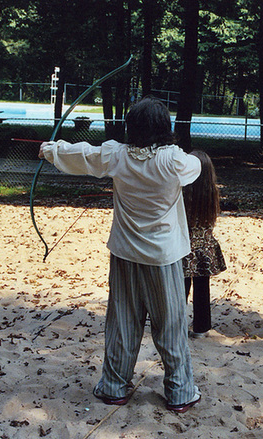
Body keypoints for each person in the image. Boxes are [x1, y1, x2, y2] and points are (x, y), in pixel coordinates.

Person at [38, 96, 202, 413]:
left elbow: (83, 154)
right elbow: (195, 165)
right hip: (163, 258)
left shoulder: (117, 155)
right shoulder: (174, 161)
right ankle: (180, 391)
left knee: (123, 321)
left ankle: (114, 387)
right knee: (171, 324)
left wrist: (50, 149)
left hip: (126, 255)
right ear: (164, 129)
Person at [182, 150, 226, 338]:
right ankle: (202, 327)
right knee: (202, 289)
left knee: (180, 289)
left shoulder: (184, 193)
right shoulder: (212, 192)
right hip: (205, 248)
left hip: (184, 248)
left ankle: (176, 324)